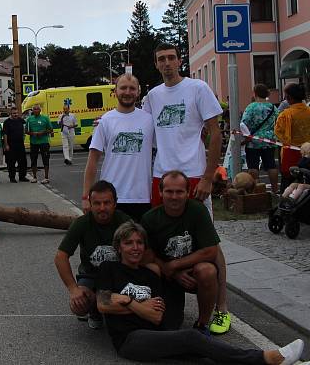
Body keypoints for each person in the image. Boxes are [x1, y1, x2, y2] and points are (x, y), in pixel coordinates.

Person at [97, 221, 305, 364]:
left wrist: (125, 300)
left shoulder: (151, 275)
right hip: (129, 341)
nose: (135, 248)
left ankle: (274, 361)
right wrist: (138, 305)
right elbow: (103, 304)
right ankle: (267, 358)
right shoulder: (109, 268)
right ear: (119, 247)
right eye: (128, 243)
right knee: (192, 338)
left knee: (203, 354)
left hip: (154, 333)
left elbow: (156, 315)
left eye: (139, 242)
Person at [144, 43, 230, 335]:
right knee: (161, 237)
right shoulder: (152, 97)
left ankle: (222, 308)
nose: (167, 63)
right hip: (161, 176)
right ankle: (166, 297)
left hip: (194, 175)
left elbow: (215, 133)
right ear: (156, 64)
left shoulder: (198, 88)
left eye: (171, 58)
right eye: (161, 60)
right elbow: (145, 134)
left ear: (180, 61)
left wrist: (208, 176)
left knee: (210, 242)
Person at [141, 170, 219, 333]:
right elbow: (146, 256)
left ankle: (202, 324)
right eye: (169, 191)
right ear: (160, 192)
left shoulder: (198, 211)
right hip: (165, 274)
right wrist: (172, 272)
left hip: (191, 272)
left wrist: (176, 265)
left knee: (207, 271)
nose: (174, 197)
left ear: (188, 192)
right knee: (168, 326)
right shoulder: (150, 218)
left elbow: (211, 251)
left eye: (179, 192)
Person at [55, 180, 131, 329]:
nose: (102, 208)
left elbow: (142, 254)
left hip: (119, 276)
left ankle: (120, 314)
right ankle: (94, 311)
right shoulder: (82, 223)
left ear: (115, 203)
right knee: (78, 305)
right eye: (97, 203)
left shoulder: (125, 222)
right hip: (91, 276)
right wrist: (73, 289)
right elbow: (60, 257)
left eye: (107, 203)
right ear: (90, 204)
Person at [83, 74, 154, 222]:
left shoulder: (149, 120)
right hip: (110, 198)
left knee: (138, 244)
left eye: (132, 88)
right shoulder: (105, 121)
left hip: (142, 197)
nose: (127, 92)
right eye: (123, 88)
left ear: (138, 92)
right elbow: (92, 161)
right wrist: (86, 196)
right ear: (115, 91)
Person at [241, 84, 279, 193]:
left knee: (253, 165)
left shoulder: (251, 107)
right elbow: (278, 120)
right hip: (269, 140)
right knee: (271, 165)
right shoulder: (272, 107)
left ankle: (256, 190)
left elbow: (244, 123)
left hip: (253, 140)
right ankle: (275, 189)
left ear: (255, 93)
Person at [275, 83, 310, 191]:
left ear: (289, 97)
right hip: (308, 152)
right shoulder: (308, 111)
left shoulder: (285, 115)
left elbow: (278, 133)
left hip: (290, 153)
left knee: (287, 180)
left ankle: (286, 202)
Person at [25, 104, 53, 184]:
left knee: (45, 159)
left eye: (37, 109)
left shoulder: (45, 118)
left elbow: (50, 129)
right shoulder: (29, 119)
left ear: (40, 110)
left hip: (44, 142)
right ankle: (34, 177)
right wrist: (32, 133)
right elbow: (26, 131)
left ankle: (46, 177)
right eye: (34, 109)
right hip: (34, 142)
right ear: (32, 111)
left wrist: (42, 132)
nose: (36, 110)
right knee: (33, 159)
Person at [2, 108, 28, 183]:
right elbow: (5, 134)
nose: (15, 114)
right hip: (11, 145)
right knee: (11, 162)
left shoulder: (20, 120)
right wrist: (6, 144)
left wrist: (23, 136)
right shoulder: (7, 122)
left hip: (20, 144)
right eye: (13, 113)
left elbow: (24, 128)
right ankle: (12, 177)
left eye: (16, 113)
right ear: (11, 114)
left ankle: (22, 177)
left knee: (22, 161)